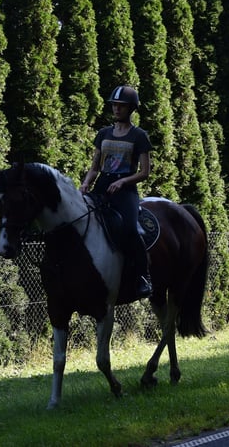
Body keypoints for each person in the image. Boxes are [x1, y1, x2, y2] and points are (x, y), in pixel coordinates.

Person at [80, 85, 153, 299]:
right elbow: (95, 167)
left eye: (121, 106)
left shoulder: (139, 136)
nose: (116, 109)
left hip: (126, 191)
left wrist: (123, 181)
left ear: (131, 109)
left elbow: (145, 172)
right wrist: (85, 183)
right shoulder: (103, 133)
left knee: (130, 228)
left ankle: (143, 276)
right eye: (114, 105)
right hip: (102, 186)